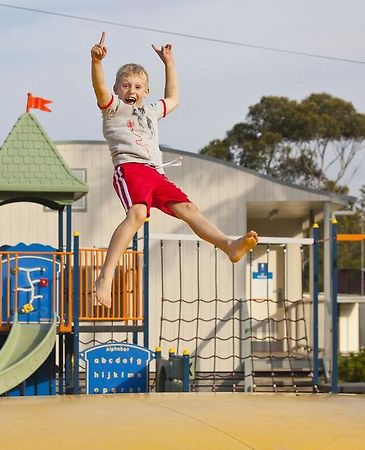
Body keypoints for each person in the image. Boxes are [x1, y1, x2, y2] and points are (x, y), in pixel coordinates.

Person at [91, 32, 258, 308]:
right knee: (137, 213)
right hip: (130, 169)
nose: (131, 91)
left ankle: (228, 245)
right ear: (117, 89)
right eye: (125, 86)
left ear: (145, 92)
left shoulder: (150, 112)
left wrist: (169, 62)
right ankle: (105, 277)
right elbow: (99, 88)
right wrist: (96, 61)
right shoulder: (113, 109)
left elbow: (174, 97)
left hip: (156, 174)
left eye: (137, 87)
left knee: (190, 210)